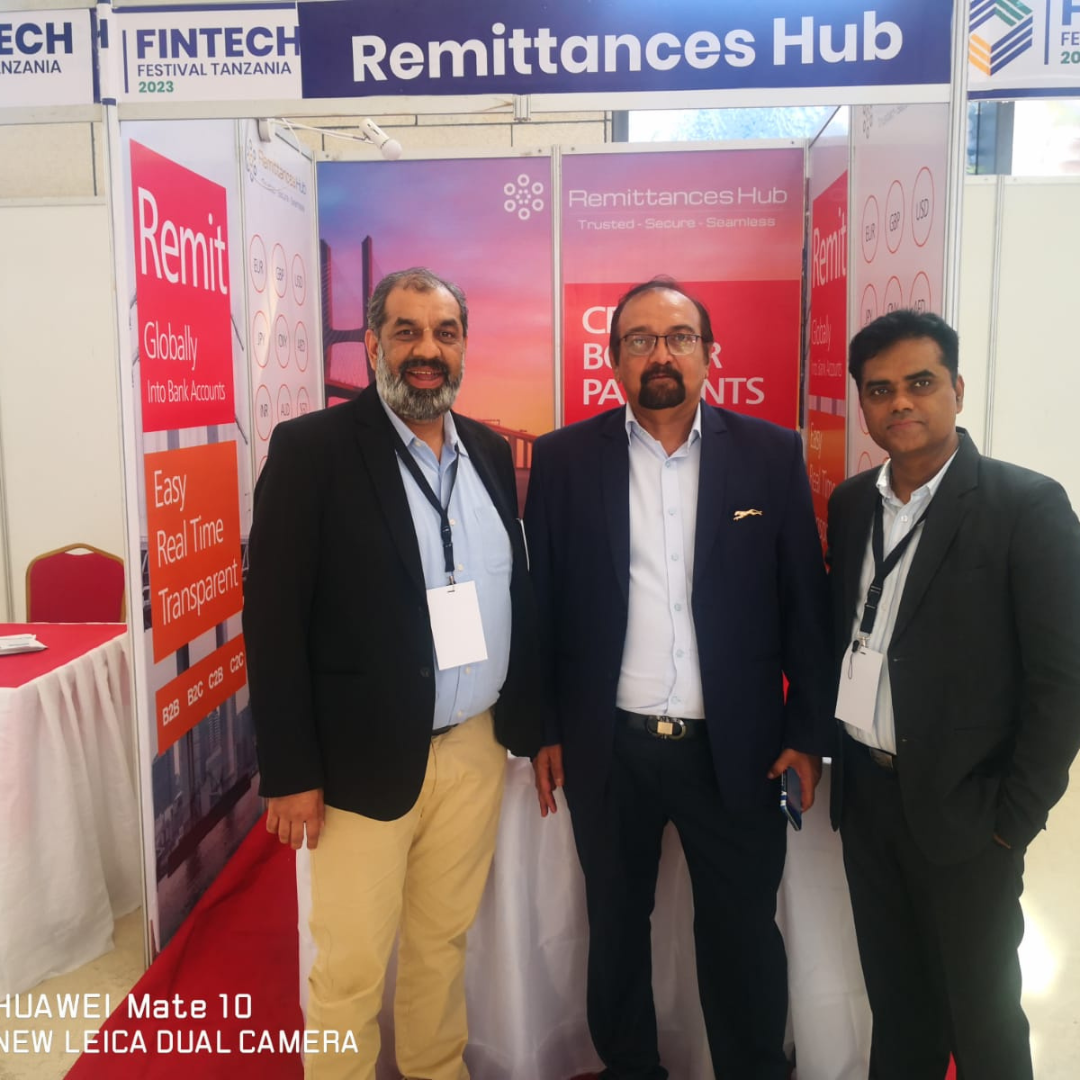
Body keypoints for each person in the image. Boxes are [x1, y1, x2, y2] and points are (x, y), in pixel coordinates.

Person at [524, 277, 833, 1080]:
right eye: (639, 340)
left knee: (742, 933)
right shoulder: (563, 459)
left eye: (678, 338)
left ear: (709, 353)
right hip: (608, 747)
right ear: (613, 358)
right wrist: (545, 728)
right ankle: (630, 1068)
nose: (660, 354)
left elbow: (804, 603)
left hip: (737, 750)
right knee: (615, 929)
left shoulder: (770, 453)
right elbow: (541, 604)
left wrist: (806, 734)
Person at [243, 267, 547, 1080]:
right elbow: (272, 620)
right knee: (348, 967)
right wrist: (290, 771)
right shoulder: (312, 451)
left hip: (474, 747)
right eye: (406, 331)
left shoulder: (487, 450)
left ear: (464, 347)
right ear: (373, 345)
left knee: (442, 944)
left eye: (444, 333)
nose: (427, 350)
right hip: (358, 760)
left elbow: (512, 592)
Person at [826, 309, 1080, 1080]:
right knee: (898, 1009)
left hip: (970, 816)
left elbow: (1062, 678)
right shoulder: (851, 504)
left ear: (957, 391)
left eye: (920, 382)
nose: (900, 402)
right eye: (880, 390)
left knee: (984, 1023)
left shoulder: (1025, 505)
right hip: (869, 802)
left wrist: (1013, 820)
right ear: (863, 405)